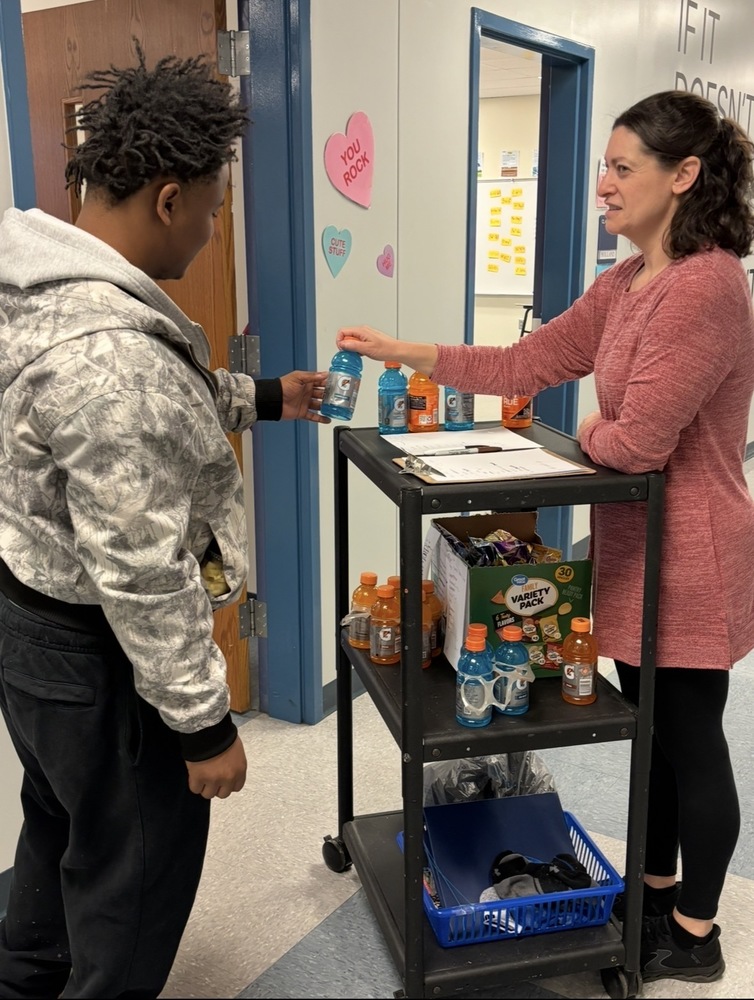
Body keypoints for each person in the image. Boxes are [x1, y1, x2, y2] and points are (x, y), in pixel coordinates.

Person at [336, 89, 754, 985]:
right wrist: (410, 351)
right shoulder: (627, 282)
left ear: (683, 177)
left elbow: (636, 441)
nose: (601, 185)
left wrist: (597, 428)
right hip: (641, 546)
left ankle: (695, 933)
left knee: (689, 739)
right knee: (656, 736)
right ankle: (654, 892)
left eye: (619, 168)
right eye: (603, 165)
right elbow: (529, 362)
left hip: (695, 553)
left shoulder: (707, 284)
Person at [0, 44, 328, 999]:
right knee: (133, 873)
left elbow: (146, 409)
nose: (215, 230)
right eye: (217, 209)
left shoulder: (39, 280)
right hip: (102, 658)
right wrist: (201, 727)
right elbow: (142, 571)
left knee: (64, 822)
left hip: (29, 617)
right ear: (171, 199)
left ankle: (23, 977)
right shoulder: (111, 356)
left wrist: (267, 396)